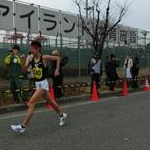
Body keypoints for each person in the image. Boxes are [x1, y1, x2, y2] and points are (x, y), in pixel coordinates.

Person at [11, 41, 67, 133]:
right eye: (31, 48)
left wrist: (57, 69)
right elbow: (24, 71)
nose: (31, 50)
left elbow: (57, 58)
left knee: (31, 103)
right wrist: (22, 61)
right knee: (51, 102)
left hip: (43, 84)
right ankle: (62, 115)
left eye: (32, 49)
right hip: (37, 84)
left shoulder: (44, 58)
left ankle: (22, 127)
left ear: (38, 49)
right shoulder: (30, 59)